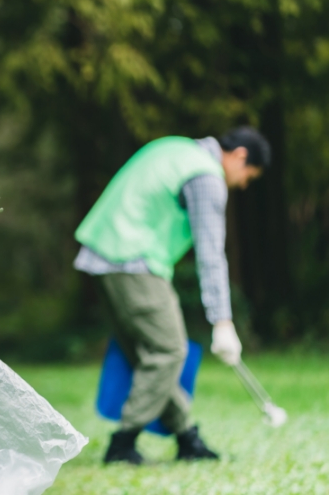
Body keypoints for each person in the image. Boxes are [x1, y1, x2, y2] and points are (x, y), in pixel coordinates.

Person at [73, 127, 271, 464]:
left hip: (101, 254)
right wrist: (222, 322)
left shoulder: (176, 148)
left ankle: (187, 438)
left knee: (148, 354)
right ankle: (123, 444)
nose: (243, 183)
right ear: (239, 156)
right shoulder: (206, 177)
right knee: (168, 350)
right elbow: (211, 254)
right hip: (132, 258)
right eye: (247, 175)